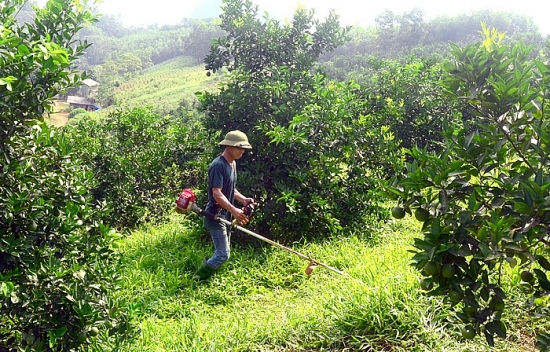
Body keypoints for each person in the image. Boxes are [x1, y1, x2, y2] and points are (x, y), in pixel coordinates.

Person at [193, 130, 256, 281]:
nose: (242, 151)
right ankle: (197, 278)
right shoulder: (218, 165)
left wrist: (243, 200)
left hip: (225, 214)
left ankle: (206, 270)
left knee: (222, 251)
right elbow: (217, 193)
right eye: (239, 147)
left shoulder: (232, 164)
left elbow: (230, 188)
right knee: (223, 254)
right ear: (228, 146)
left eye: (243, 148)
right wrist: (234, 210)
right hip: (215, 215)